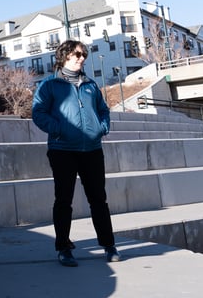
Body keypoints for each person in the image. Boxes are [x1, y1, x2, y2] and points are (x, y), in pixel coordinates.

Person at [31, 40, 121, 266]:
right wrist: (60, 129)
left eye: (84, 55)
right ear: (65, 56)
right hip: (62, 150)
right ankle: (63, 247)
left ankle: (109, 245)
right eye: (78, 54)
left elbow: (103, 110)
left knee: (99, 199)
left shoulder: (90, 85)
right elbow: (38, 112)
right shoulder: (50, 85)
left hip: (92, 149)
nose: (82, 58)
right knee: (64, 200)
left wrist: (102, 128)